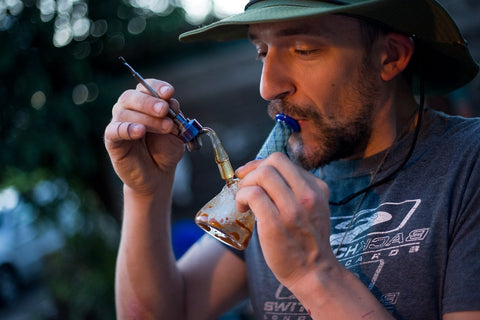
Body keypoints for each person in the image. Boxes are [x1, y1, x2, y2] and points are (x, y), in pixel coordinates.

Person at [104, 0, 480, 319]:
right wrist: (145, 192)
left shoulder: (468, 164)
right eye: (262, 52)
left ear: (391, 57)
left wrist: (315, 274)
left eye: (303, 49)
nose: (268, 86)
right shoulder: (275, 175)